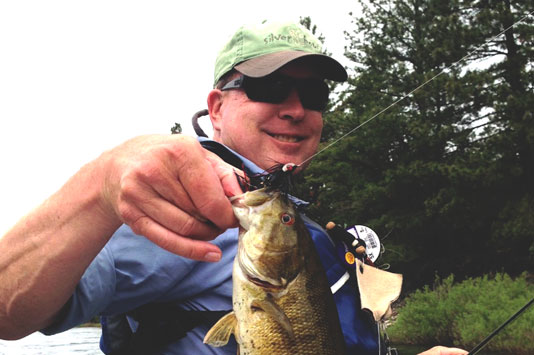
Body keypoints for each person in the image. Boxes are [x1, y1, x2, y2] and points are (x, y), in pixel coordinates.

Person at [0, 20, 467, 355]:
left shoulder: (295, 223)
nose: (295, 108)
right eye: (271, 86)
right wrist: (100, 184)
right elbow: (8, 309)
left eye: (314, 94)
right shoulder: (171, 210)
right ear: (217, 108)